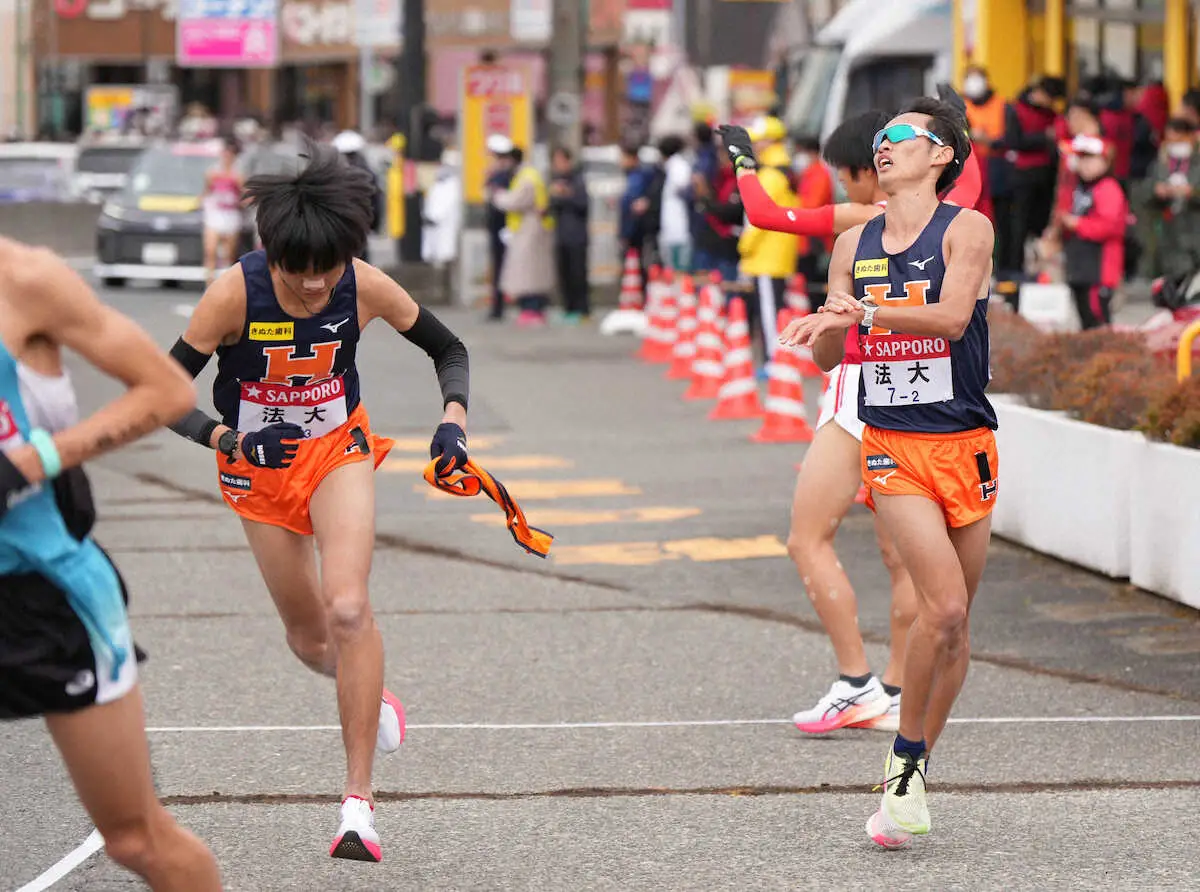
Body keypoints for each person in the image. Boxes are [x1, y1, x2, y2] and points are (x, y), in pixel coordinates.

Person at [165, 141, 471, 862]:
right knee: (310, 640)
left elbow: (448, 347)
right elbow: (161, 394)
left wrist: (452, 421)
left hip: (339, 452)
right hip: (257, 470)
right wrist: (226, 441)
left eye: (324, 273)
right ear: (269, 250)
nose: (310, 288)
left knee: (348, 608)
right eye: (294, 273)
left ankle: (357, 806)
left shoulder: (362, 284)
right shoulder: (231, 294)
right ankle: (369, 692)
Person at [779, 97, 998, 849]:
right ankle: (902, 766)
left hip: (966, 442)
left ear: (941, 155)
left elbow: (952, 319)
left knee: (958, 628)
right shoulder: (854, 241)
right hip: (892, 442)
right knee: (940, 608)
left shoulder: (966, 230)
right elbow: (829, 357)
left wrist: (863, 312)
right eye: (877, 139)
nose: (882, 146)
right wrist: (831, 324)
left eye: (899, 137)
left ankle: (914, 766)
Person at [0, 238, 222, 889]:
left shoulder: (26, 279)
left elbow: (166, 390)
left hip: (42, 597)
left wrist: (34, 460)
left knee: (135, 838)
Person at [720, 110, 918, 736]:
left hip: (862, 389)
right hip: (919, 390)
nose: (843, 187)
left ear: (868, 171)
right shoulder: (955, 224)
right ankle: (895, 690)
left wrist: (744, 163)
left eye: (845, 174)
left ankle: (857, 681)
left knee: (808, 537)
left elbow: (767, 216)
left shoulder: (866, 219)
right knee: (901, 557)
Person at [735, 115, 799, 368]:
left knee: (769, 312)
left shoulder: (772, 176)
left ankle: (775, 360)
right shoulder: (784, 171)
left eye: (758, 141)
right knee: (772, 308)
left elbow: (757, 217)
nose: (755, 146)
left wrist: (743, 246)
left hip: (766, 256)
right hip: (774, 254)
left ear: (771, 142)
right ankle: (776, 359)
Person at [1059, 134, 1128, 329]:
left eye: (1090, 159)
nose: (1084, 164)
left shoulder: (1108, 188)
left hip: (1099, 269)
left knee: (1098, 321)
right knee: (1085, 321)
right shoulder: (1079, 187)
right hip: (1082, 268)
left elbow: (1110, 226)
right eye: (1081, 159)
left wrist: (1078, 224)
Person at [492, 144, 557, 326]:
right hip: (528, 228)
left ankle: (532, 309)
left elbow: (514, 201)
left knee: (529, 273)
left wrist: (497, 196)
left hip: (530, 229)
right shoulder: (528, 175)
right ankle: (531, 308)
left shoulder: (527, 178)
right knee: (528, 272)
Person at [1146, 117, 1200, 281]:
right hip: (1169, 236)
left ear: (1190, 137)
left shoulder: (1197, 163)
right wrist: (1157, 191)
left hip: (1195, 232)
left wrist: (1192, 193)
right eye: (1170, 139)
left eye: (1179, 139)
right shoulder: (1161, 163)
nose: (1174, 144)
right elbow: (1145, 196)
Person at [548, 146, 591, 323]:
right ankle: (568, 308)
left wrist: (566, 194)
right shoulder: (556, 181)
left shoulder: (578, 180)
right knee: (564, 273)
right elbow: (552, 204)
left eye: (560, 160)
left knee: (577, 274)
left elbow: (583, 204)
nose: (557, 165)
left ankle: (582, 310)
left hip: (577, 236)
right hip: (561, 235)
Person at [202, 138, 244, 287]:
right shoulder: (212, 173)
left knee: (229, 254)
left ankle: (226, 285)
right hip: (215, 214)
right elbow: (206, 191)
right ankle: (209, 285)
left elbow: (244, 195)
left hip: (231, 215)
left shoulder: (238, 175)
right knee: (211, 250)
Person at [484, 135, 517, 321]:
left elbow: (496, 197)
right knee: (498, 266)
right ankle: (497, 305)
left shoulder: (503, 175)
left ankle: (499, 306)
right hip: (500, 226)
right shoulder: (502, 173)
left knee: (501, 266)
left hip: (503, 227)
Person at [658, 134, 694, 273]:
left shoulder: (678, 167)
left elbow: (683, 188)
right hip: (673, 226)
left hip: (679, 227)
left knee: (680, 269)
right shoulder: (673, 166)